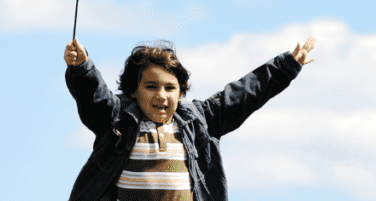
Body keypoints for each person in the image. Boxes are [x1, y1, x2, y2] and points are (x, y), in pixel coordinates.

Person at [63, 37, 316, 201]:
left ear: (182, 92)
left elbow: (243, 95)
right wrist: (82, 67)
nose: (161, 95)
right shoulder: (118, 119)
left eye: (170, 88)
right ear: (133, 91)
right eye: (151, 86)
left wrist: (286, 66)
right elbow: (93, 96)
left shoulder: (198, 121)